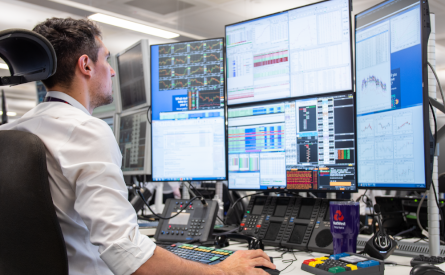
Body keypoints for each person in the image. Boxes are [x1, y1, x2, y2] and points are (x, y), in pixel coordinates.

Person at [0, 18, 275, 275]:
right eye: (106, 59)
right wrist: (219, 271)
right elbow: (125, 252)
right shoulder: (84, 130)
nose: (112, 72)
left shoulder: (12, 131)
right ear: (85, 65)